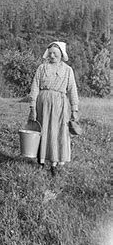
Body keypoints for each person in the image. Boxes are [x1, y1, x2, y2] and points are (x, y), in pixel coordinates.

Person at [28, 41, 79, 176]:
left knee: (57, 132)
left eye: (55, 53)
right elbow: (35, 87)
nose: (52, 55)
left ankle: (54, 163)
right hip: (42, 104)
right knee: (43, 130)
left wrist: (74, 109)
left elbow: (72, 89)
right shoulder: (41, 68)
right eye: (50, 53)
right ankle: (41, 160)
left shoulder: (67, 70)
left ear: (61, 54)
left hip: (60, 105)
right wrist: (32, 106)